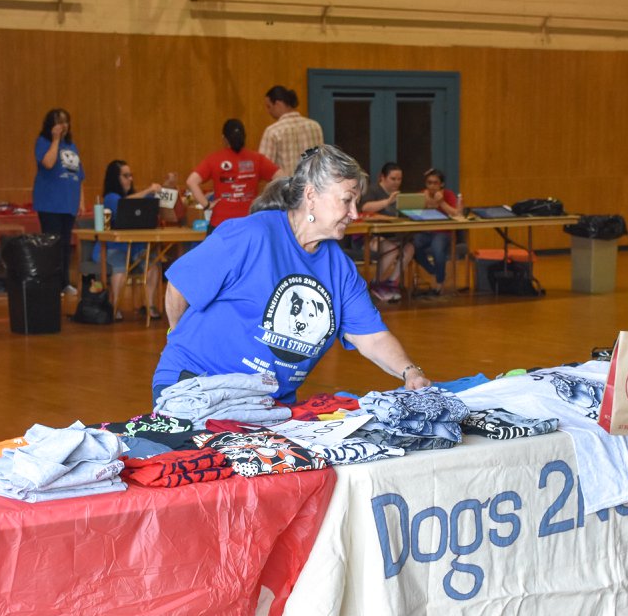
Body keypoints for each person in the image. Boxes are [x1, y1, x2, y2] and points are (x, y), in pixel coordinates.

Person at [154, 144, 432, 405]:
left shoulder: (341, 269)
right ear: (311, 196)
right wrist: (176, 336)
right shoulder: (252, 234)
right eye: (347, 201)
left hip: (266, 403)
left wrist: (410, 371)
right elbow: (179, 286)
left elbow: (372, 338)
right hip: (198, 387)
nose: (354, 214)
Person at [93, 159, 178, 322]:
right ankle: (115, 308)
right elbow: (123, 204)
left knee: (153, 264)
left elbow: (157, 198)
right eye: (126, 176)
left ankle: (149, 305)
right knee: (120, 267)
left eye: (131, 175)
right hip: (113, 248)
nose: (130, 179)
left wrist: (166, 186)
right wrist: (149, 190)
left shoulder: (139, 196)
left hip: (136, 247)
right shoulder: (111, 197)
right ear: (115, 178)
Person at [186, 119, 279, 233]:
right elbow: (282, 178)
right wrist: (265, 202)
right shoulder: (257, 159)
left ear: (224, 138)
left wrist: (207, 205)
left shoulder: (214, 159)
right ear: (244, 137)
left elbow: (191, 181)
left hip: (221, 224)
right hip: (250, 224)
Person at [31, 108, 84, 295]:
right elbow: (48, 163)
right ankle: (51, 283)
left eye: (66, 122)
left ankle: (64, 282)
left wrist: (80, 201)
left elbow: (78, 175)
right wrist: (55, 140)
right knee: (52, 245)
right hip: (50, 203)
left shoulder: (72, 146)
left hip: (68, 204)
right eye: (59, 122)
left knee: (65, 245)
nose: (63, 126)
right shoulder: (43, 142)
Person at [359, 162, 413, 303]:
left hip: (393, 235)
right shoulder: (372, 190)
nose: (396, 182)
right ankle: (375, 284)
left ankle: (390, 282)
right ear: (382, 177)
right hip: (369, 237)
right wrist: (388, 201)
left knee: (409, 248)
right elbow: (365, 208)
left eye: (399, 179)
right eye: (393, 179)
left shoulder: (400, 194)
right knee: (391, 249)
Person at [410, 168, 463, 296]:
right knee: (412, 245)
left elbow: (456, 213)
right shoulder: (421, 194)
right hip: (425, 231)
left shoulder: (448, 194)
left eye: (435, 183)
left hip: (443, 232)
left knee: (437, 248)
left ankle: (440, 282)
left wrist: (441, 202)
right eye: (429, 183)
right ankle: (434, 270)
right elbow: (412, 213)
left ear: (441, 184)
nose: (432, 186)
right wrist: (423, 204)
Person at [257, 85, 324, 174]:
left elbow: (264, 167)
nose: (268, 111)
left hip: (286, 182)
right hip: (313, 182)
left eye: (269, 106)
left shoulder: (273, 131)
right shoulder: (315, 127)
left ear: (278, 104)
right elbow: (321, 160)